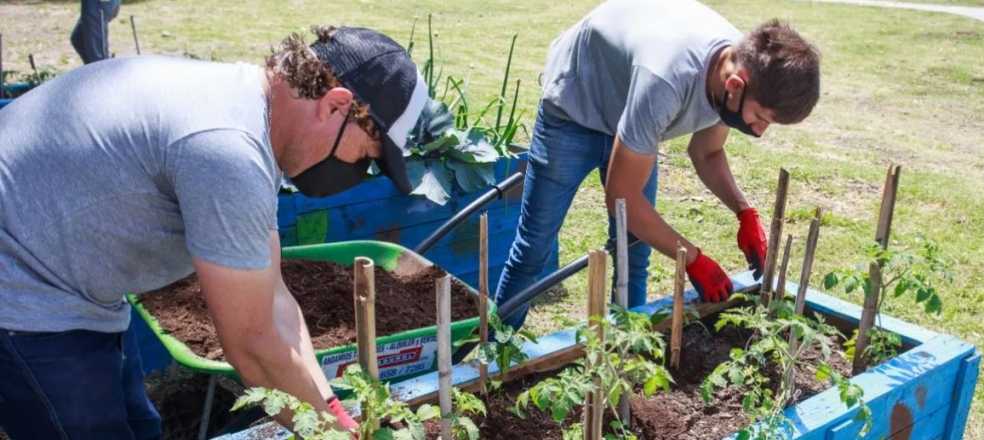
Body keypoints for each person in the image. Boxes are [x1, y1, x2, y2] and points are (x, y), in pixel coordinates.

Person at [0, 25, 429, 438]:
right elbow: (254, 347)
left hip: (68, 279)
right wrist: (332, 434)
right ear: (336, 105)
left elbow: (274, 296)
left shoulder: (247, 111)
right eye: (368, 156)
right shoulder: (227, 152)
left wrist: (331, 410)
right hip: (24, 291)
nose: (360, 171)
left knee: (140, 427)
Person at [494, 0, 821, 328]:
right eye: (761, 118)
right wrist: (693, 259)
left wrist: (744, 212)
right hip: (576, 106)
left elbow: (707, 153)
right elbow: (622, 200)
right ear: (735, 85)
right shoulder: (668, 78)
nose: (760, 131)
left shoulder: (737, 72)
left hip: (633, 108)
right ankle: (493, 357)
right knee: (533, 248)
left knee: (635, 253)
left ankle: (627, 347)